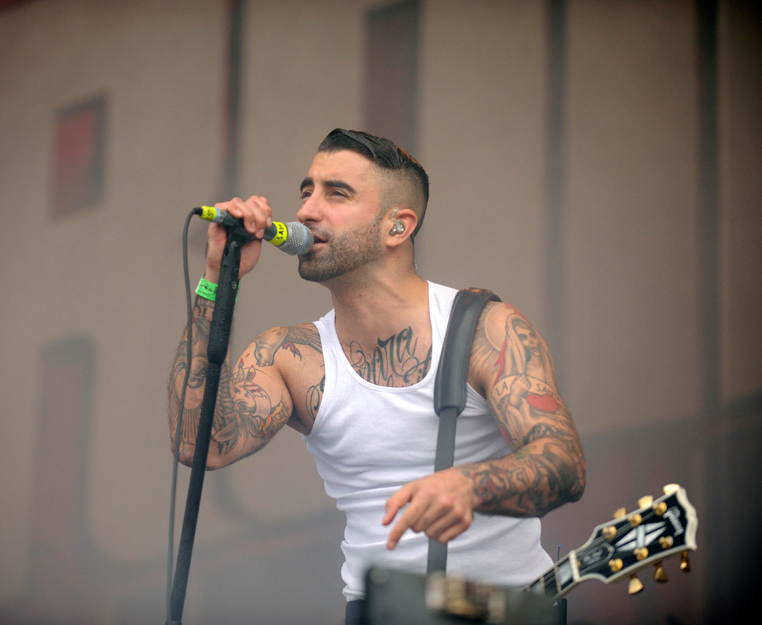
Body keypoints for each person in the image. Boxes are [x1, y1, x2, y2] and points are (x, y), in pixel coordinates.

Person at [167, 129, 586, 623]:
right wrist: (219, 278)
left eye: (336, 193)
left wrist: (470, 486)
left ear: (397, 227)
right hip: (378, 612)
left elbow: (564, 463)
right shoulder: (291, 355)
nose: (305, 211)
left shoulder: (485, 328)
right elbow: (201, 446)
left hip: (509, 607)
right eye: (307, 191)